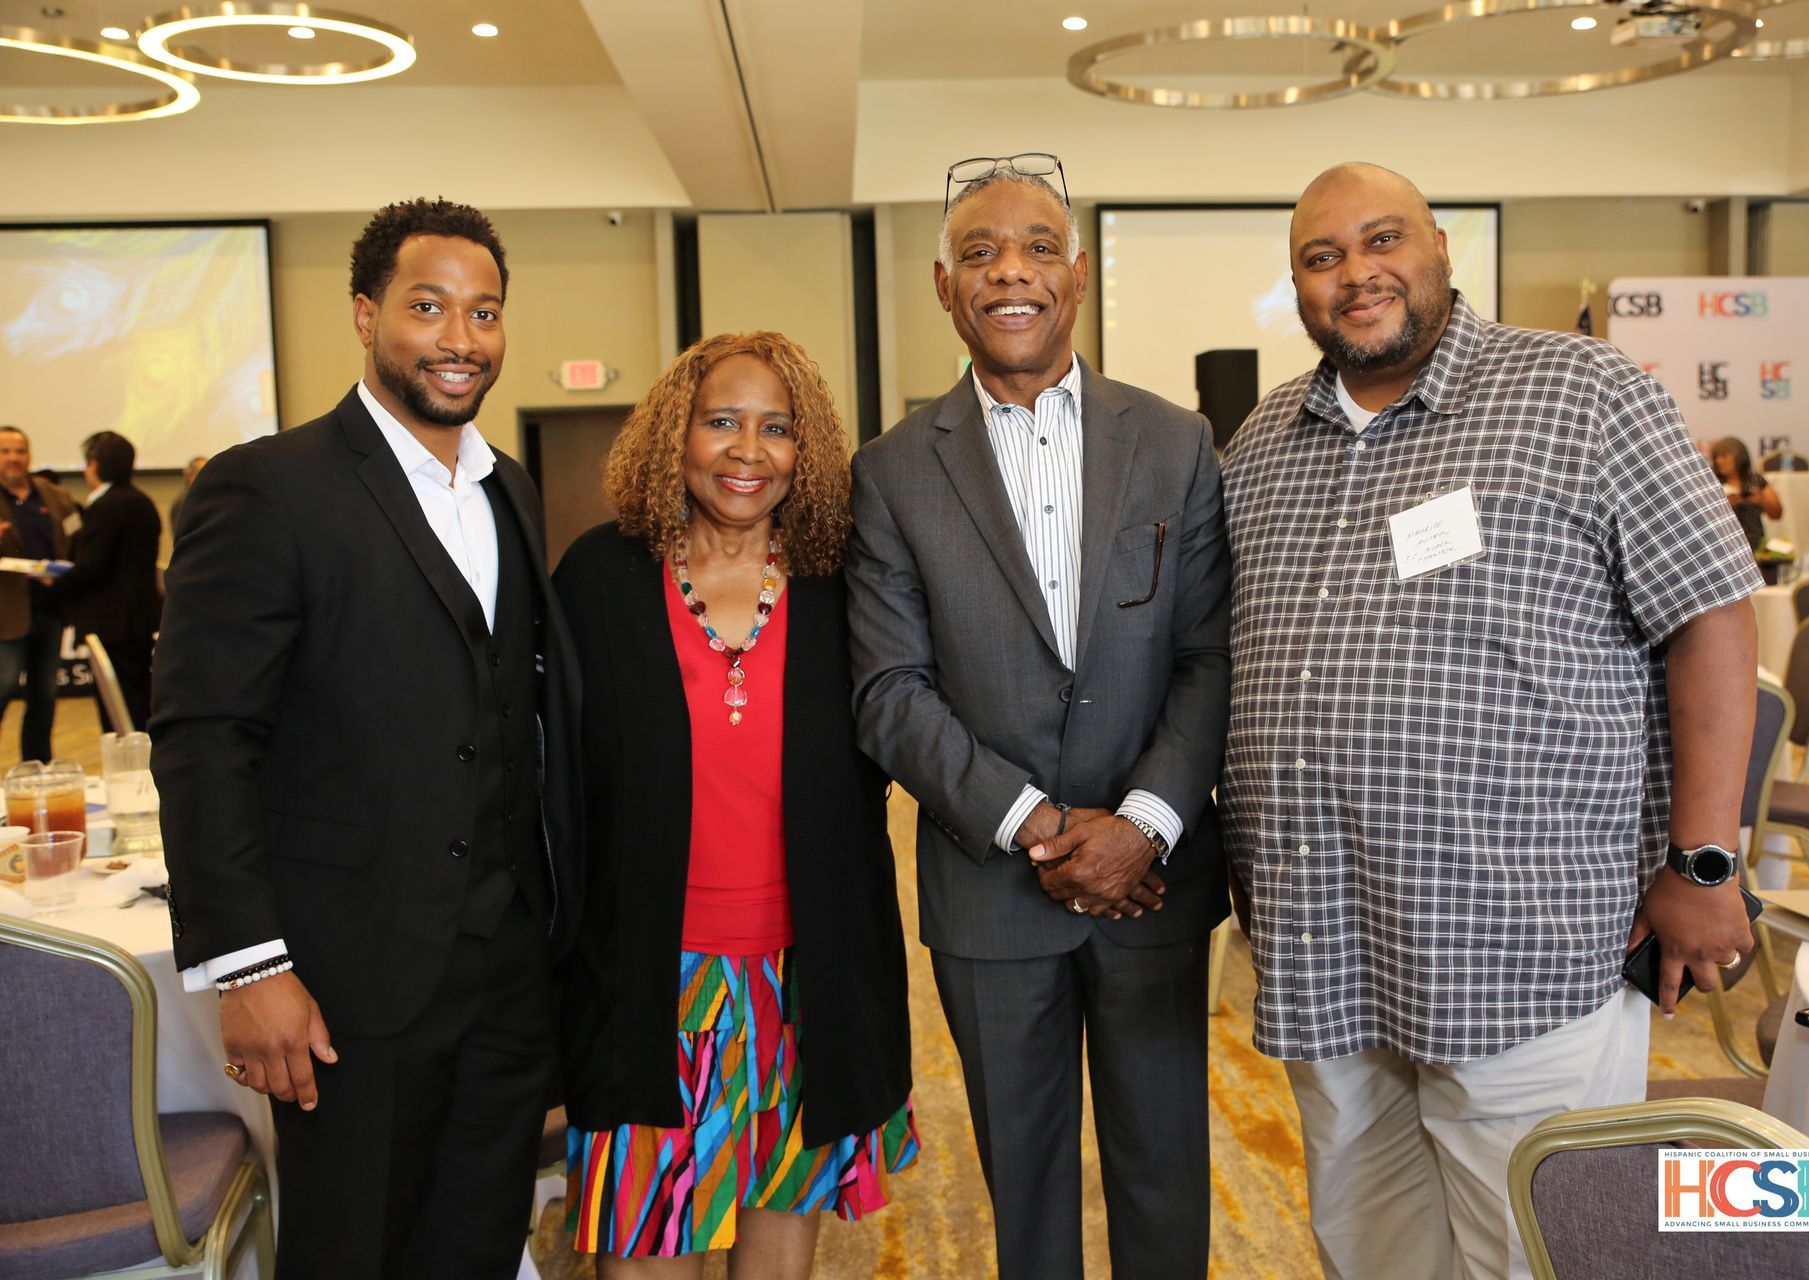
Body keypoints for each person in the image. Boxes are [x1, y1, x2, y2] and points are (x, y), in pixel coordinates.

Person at [1219, 162, 1762, 1280]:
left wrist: (1703, 864)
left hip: (1522, 946)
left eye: (1382, 241)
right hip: (1328, 945)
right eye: (1321, 258)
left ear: (1441, 248)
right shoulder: (1260, 445)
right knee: (1369, 1246)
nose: (1356, 274)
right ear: (1296, 286)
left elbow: (1710, 615)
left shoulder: (1581, 392)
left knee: (1535, 1249)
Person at [151, 197, 582, 1279]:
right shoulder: (270, 487)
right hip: (349, 976)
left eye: (483, 312)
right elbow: (205, 738)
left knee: (476, 1242)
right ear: (363, 313)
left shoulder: (512, 490)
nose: (460, 338)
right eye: (427, 307)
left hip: (504, 966)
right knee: (353, 1249)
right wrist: (251, 966)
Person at [846, 155, 1229, 1280]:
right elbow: (887, 689)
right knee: (1026, 1183)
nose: (1010, 272)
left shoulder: (1176, 441)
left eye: (1037, 248)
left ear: (1081, 273)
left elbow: (1209, 653)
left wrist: (1142, 822)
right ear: (942, 285)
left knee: (1165, 1172)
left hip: (1153, 881)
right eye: (980, 253)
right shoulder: (892, 470)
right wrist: (1039, 825)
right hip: (991, 893)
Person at [555, 331, 917, 1277]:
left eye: (776, 429)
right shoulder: (599, 579)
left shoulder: (846, 588)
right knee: (640, 1251)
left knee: (778, 1256)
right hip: (643, 977)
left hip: (804, 979)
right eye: (721, 422)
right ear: (676, 434)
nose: (747, 452)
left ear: (809, 451)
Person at [53, 430, 161, 730]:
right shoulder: (142, 501)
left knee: (119, 706)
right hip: (137, 616)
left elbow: (91, 566)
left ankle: (130, 766)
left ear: (95, 465)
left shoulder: (106, 506)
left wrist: (55, 582)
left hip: (112, 622)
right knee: (137, 696)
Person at [0, 426, 79, 761]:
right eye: (5, 451)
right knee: (2, 690)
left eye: (20, 451)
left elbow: (78, 535)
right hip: (6, 616)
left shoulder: (54, 495)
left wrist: (68, 571)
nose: (14, 458)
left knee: (44, 697)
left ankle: (38, 768)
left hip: (49, 610)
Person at [1709, 436, 1782, 550]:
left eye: (1724, 456)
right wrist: (1723, 506)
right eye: (1716, 457)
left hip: (1756, 545)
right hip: (1724, 545)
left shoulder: (1755, 480)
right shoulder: (1712, 482)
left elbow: (1777, 514)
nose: (1719, 461)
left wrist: (1762, 500)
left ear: (1739, 457)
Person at [169, 454, 207, 537]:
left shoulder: (205, 497)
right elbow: (181, 535)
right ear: (190, 476)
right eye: (205, 474)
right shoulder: (184, 501)